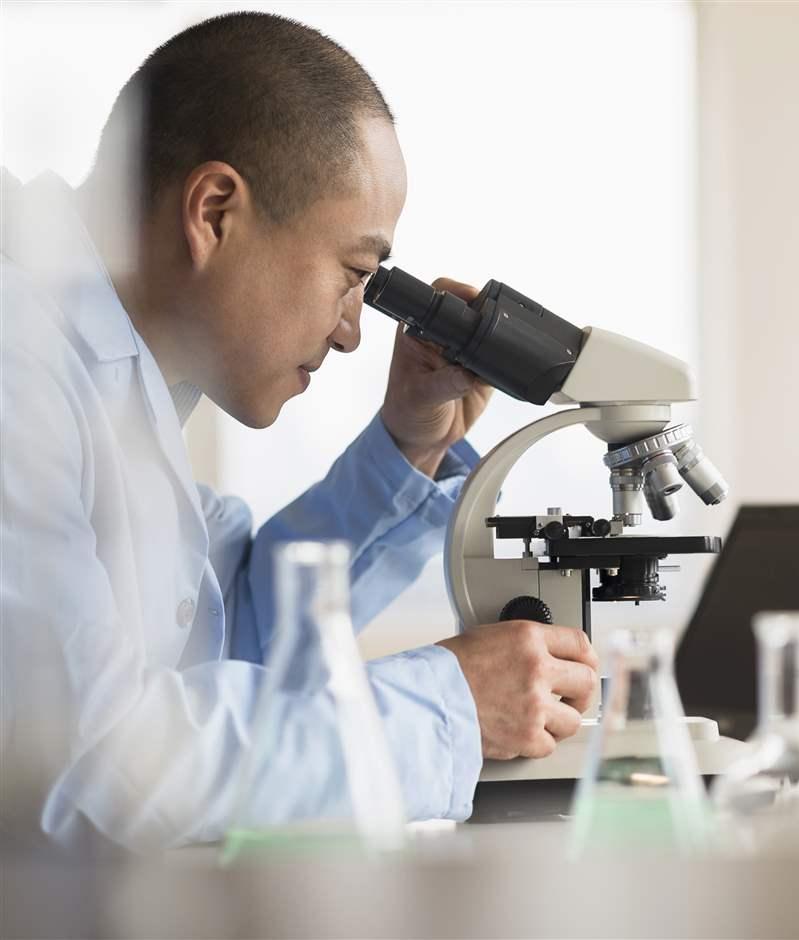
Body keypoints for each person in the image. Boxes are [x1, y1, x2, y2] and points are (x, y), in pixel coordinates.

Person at [0, 11, 598, 851]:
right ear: (213, 212)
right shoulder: (18, 368)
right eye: (354, 274)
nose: (354, 330)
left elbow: (216, 630)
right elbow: (88, 763)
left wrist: (408, 442)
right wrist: (449, 703)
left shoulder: (105, 373)